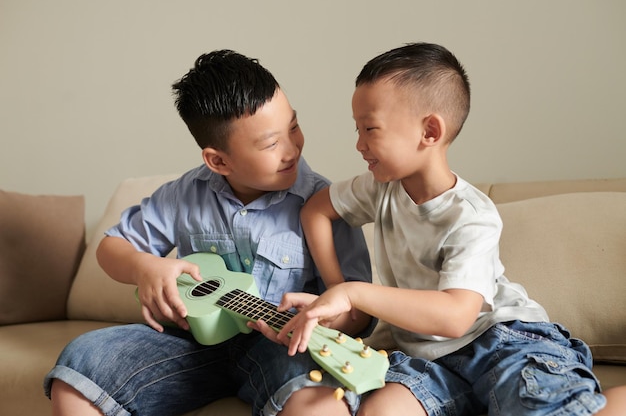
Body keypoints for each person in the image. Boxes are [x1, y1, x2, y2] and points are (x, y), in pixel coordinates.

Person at [276, 43, 626, 415]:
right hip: (428, 360)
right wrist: (338, 294)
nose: (359, 144)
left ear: (429, 130)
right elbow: (316, 210)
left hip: (501, 343)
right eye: (357, 129)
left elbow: (455, 316)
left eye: (370, 129)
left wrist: (353, 293)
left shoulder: (473, 215)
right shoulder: (380, 187)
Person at [43, 49, 374, 416]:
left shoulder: (324, 203)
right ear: (218, 160)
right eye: (270, 143)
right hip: (190, 343)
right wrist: (144, 268)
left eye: (293, 127)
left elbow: (360, 309)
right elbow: (111, 247)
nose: (292, 147)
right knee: (79, 365)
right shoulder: (184, 194)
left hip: (282, 343)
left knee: (317, 397)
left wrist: (330, 317)